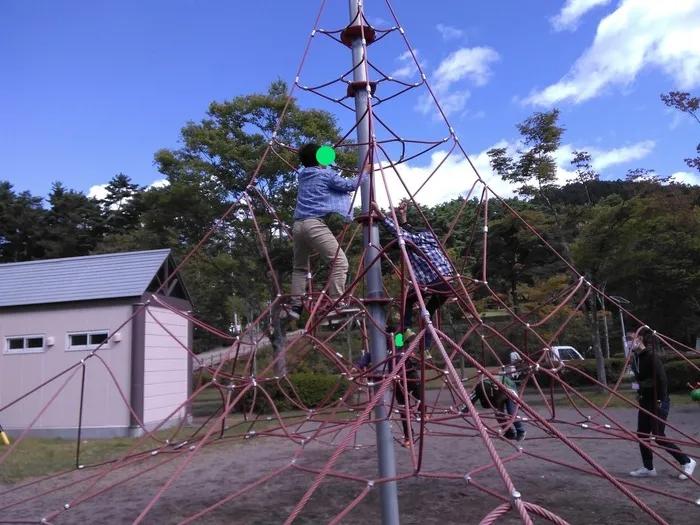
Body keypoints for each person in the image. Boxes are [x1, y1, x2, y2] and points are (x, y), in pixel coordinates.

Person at [287, 144, 369, 320]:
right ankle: (336, 303)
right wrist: (365, 172)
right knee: (340, 262)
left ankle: (295, 307)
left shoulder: (302, 175)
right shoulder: (326, 175)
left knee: (299, 267)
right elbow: (349, 185)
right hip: (313, 224)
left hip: (298, 226)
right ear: (319, 159)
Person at [370, 200, 454, 355]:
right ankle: (424, 349)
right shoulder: (430, 241)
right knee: (424, 316)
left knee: (405, 315)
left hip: (397, 349)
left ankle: (401, 346)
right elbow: (410, 232)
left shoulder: (394, 328)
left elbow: (405, 234)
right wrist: (403, 217)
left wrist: (382, 217)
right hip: (447, 283)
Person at [627, 331, 696, 479]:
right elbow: (639, 380)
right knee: (642, 434)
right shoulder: (636, 358)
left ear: (639, 339)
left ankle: (687, 461)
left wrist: (658, 399)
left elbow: (661, 380)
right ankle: (648, 468)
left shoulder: (652, 356)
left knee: (658, 436)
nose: (628, 342)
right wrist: (638, 391)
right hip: (645, 401)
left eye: (631, 339)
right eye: (626, 339)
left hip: (659, 401)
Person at [352, 322, 422, 448]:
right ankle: (408, 436)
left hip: (408, 374)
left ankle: (422, 412)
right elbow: (368, 357)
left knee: (418, 393)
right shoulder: (380, 347)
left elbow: (404, 338)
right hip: (397, 379)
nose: (395, 336)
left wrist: (403, 335)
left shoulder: (398, 341)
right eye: (393, 334)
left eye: (396, 335)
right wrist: (358, 365)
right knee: (403, 409)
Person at [465, 374, 526, 442]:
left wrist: (517, 401)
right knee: (498, 415)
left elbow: (512, 391)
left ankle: (521, 431)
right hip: (497, 396)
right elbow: (470, 399)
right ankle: (509, 433)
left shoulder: (499, 385)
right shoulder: (479, 388)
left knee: (511, 412)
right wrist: (465, 409)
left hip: (508, 392)